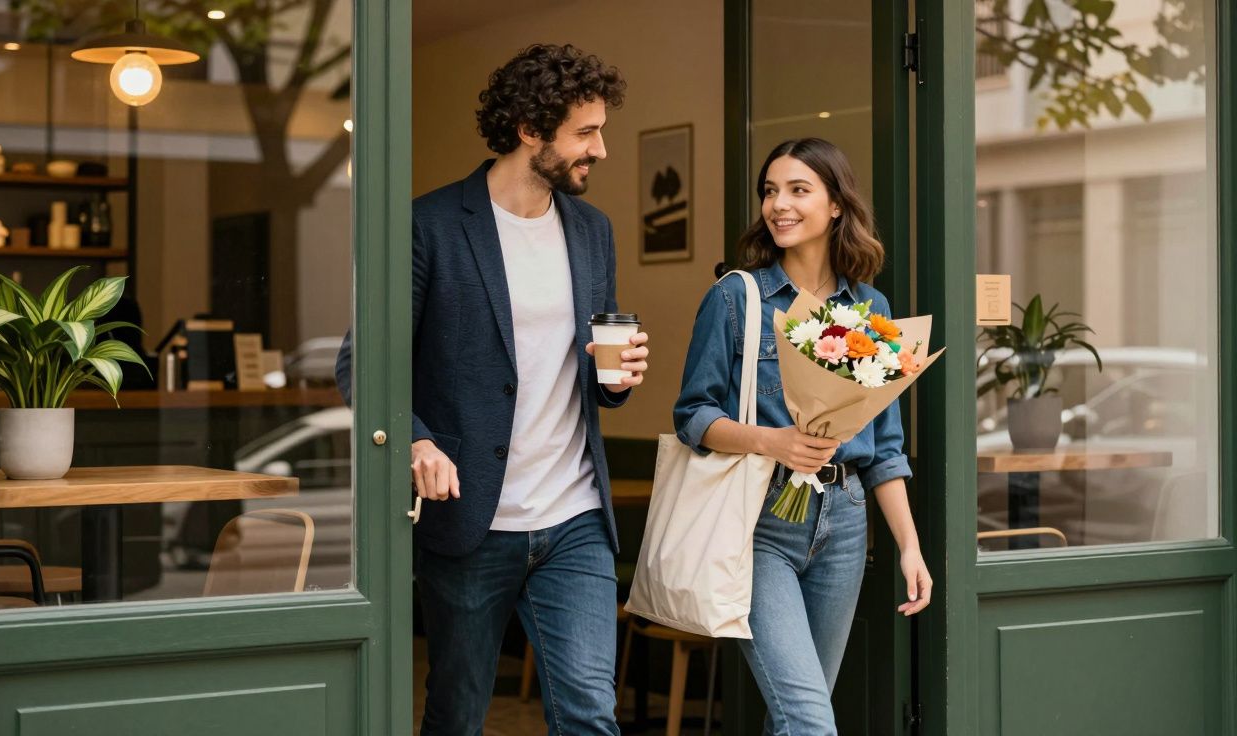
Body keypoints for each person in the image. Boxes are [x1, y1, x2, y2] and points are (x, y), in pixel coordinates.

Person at [336, 44, 648, 735]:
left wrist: (619, 376)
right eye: (586, 133)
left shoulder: (592, 231)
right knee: (456, 715)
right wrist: (415, 438)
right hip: (470, 526)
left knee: (591, 712)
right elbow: (361, 364)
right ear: (531, 131)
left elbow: (596, 373)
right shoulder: (429, 228)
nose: (601, 148)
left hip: (574, 519)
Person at [672, 138, 931, 735]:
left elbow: (885, 448)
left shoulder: (870, 306)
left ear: (837, 204)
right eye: (770, 191)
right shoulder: (737, 297)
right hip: (760, 522)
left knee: (793, 717)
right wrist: (773, 442)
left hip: (844, 525)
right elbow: (692, 415)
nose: (778, 205)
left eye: (797, 190)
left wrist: (909, 548)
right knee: (811, 722)